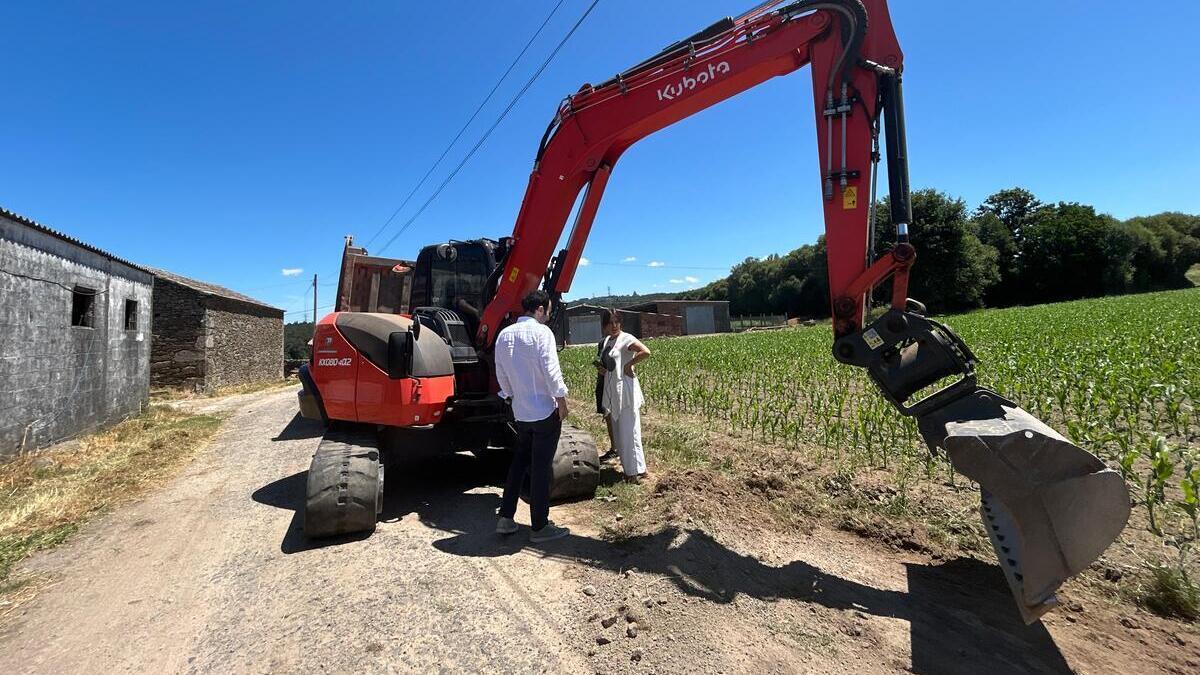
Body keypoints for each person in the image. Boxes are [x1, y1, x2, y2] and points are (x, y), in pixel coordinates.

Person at [493, 290, 571, 542]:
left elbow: (501, 373)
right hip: (544, 412)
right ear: (539, 309)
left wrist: (510, 395)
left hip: (521, 413)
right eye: (547, 311)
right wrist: (561, 400)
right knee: (540, 468)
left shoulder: (504, 335)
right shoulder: (542, 333)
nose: (548, 315)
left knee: (519, 463)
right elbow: (551, 369)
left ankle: (505, 518)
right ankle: (539, 526)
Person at [599, 309, 651, 482]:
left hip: (626, 391)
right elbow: (611, 363)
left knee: (628, 431)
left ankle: (632, 473)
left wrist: (629, 365)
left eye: (616, 322)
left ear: (620, 322)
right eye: (610, 323)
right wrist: (604, 370)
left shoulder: (626, 338)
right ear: (605, 325)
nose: (614, 326)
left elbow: (645, 351)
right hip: (613, 390)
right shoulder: (607, 341)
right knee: (621, 431)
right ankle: (638, 469)